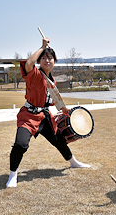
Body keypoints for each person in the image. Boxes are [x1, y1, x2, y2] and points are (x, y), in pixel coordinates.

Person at [6, 37, 90, 188]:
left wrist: (64, 109)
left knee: (59, 140)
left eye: (50, 58)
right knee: (21, 144)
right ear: (40, 60)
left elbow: (52, 101)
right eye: (43, 58)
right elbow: (29, 63)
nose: (47, 60)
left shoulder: (52, 81)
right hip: (29, 115)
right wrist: (42, 46)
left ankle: (73, 162)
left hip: (44, 116)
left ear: (54, 62)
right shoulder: (35, 74)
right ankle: (13, 175)